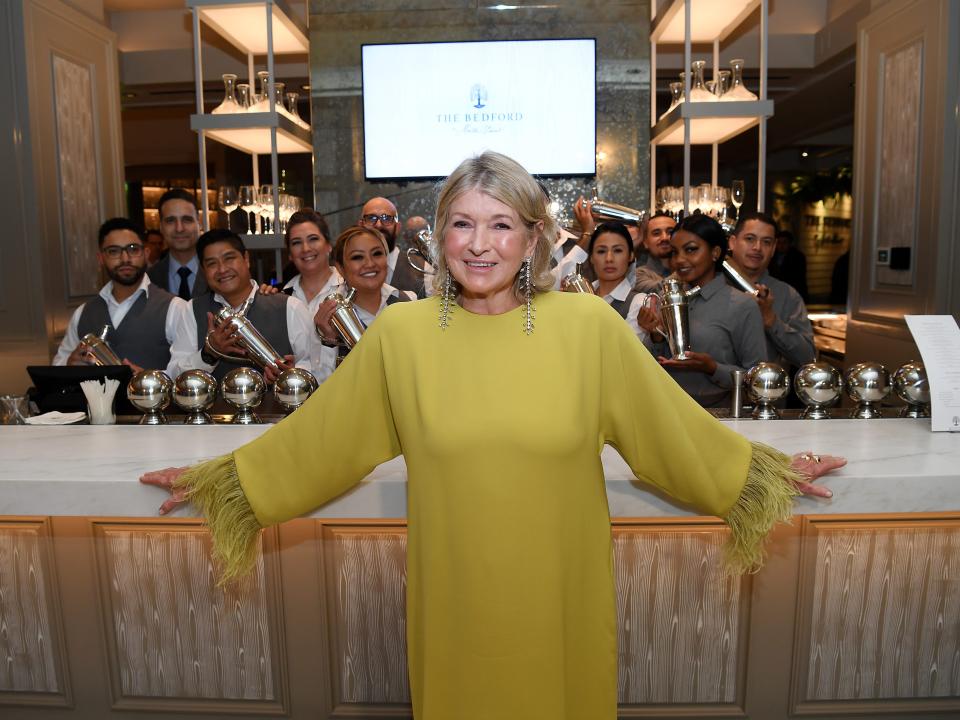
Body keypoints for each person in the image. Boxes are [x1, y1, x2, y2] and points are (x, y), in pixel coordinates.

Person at [142, 152, 842, 720]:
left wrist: (763, 473)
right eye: (463, 225)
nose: (481, 246)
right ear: (438, 236)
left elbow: (674, 433)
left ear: (534, 238)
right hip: (457, 609)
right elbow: (322, 441)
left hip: (562, 605)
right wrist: (226, 481)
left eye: (503, 225)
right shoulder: (405, 335)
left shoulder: (587, 328)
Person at [638, 214, 767, 408]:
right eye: (675, 252)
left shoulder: (741, 305)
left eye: (691, 250)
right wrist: (655, 336)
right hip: (669, 413)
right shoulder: (670, 299)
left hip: (720, 418)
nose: (680, 260)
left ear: (715, 252)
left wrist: (713, 368)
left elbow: (758, 377)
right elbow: (652, 367)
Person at [167, 229, 324, 384]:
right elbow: (174, 376)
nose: (222, 269)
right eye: (212, 263)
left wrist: (293, 372)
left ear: (246, 259)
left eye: (229, 258)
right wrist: (208, 353)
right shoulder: (191, 310)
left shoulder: (289, 306)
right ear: (203, 270)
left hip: (278, 409)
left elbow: (316, 365)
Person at [53, 217, 186, 374]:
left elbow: (187, 371)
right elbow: (57, 367)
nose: (125, 259)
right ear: (101, 258)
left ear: (146, 253)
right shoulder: (83, 312)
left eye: (133, 249)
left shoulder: (175, 308)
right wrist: (69, 364)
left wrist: (150, 379)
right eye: (114, 251)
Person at [725, 212, 815, 369]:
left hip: (766, 390)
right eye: (750, 239)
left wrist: (771, 320)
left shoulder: (787, 295)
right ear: (732, 242)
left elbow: (807, 357)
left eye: (766, 242)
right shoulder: (712, 287)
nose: (757, 248)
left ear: (773, 249)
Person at [313, 225, 416, 362]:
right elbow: (322, 378)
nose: (370, 263)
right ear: (340, 268)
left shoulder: (409, 300)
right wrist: (329, 341)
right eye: (357, 257)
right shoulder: (324, 314)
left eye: (377, 254)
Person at [585, 221, 651, 346]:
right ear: (591, 258)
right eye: (601, 251)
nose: (609, 258)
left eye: (618, 250)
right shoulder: (580, 296)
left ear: (631, 256)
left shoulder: (639, 302)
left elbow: (626, 349)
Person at [279, 209, 342, 317]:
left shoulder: (348, 288)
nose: (305, 249)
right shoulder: (280, 297)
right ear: (290, 254)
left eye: (313, 239)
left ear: (329, 245)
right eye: (296, 242)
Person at [147, 188, 208, 300]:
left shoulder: (218, 272)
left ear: (199, 224)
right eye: (170, 220)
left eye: (187, 220)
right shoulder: (148, 279)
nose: (179, 228)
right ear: (161, 227)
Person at [359, 196, 422, 298]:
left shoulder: (422, 268)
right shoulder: (349, 270)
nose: (379, 225)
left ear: (397, 228)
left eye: (386, 218)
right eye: (371, 218)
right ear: (361, 225)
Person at [633, 210, 676, 293]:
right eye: (656, 233)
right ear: (645, 242)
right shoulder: (638, 275)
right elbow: (659, 289)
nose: (664, 238)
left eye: (670, 232)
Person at [769, 229, 809, 301]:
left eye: (784, 243)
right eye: (779, 242)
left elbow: (799, 278)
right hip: (774, 292)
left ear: (790, 244)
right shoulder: (771, 256)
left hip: (792, 292)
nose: (781, 245)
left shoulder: (798, 257)